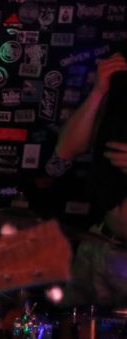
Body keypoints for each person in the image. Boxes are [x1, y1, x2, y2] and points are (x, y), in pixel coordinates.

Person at [56, 51, 127, 305]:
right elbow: (66, 149)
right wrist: (99, 91)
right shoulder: (120, 84)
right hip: (102, 243)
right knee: (74, 325)